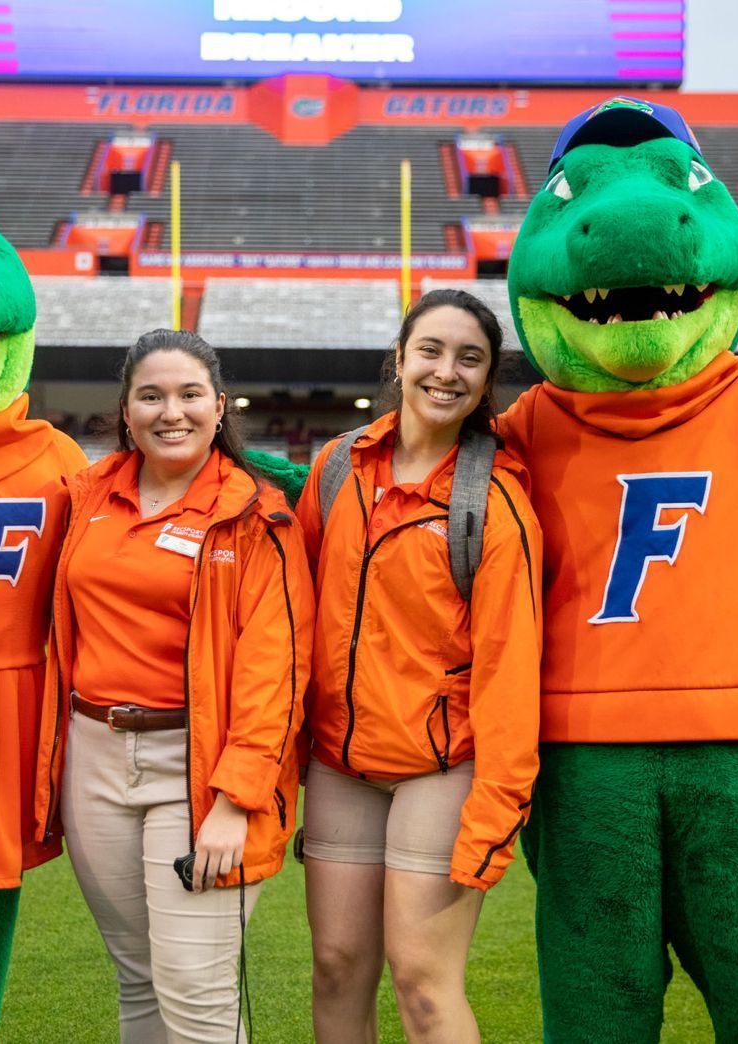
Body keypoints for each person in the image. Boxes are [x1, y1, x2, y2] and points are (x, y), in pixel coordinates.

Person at [33, 329, 314, 1043]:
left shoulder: (255, 512)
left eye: (190, 395)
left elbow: (276, 664)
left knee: (196, 994)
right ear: (125, 412)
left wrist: (237, 798)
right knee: (138, 980)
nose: (171, 412)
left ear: (219, 407)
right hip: (92, 757)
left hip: (199, 765)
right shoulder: (84, 495)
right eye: (150, 396)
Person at [294, 289, 544, 1043]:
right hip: (340, 763)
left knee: (423, 984)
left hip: (441, 766)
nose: (446, 371)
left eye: (469, 358)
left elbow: (510, 671)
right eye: (430, 350)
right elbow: (294, 616)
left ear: (486, 380)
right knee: (336, 968)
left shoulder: (495, 502)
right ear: (398, 361)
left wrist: (496, 815)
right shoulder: (337, 468)